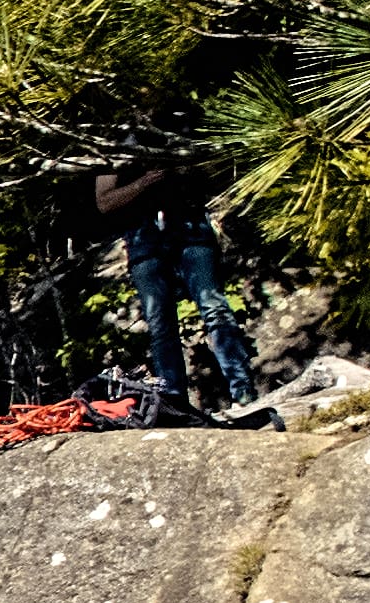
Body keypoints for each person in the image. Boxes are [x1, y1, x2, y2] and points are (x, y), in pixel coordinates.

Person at [92, 160, 259, 416]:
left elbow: (217, 168)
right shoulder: (115, 147)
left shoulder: (178, 127)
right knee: (161, 326)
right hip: (144, 241)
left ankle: (243, 393)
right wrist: (144, 182)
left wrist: (182, 169)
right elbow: (104, 203)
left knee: (215, 309)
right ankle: (175, 403)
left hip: (192, 230)